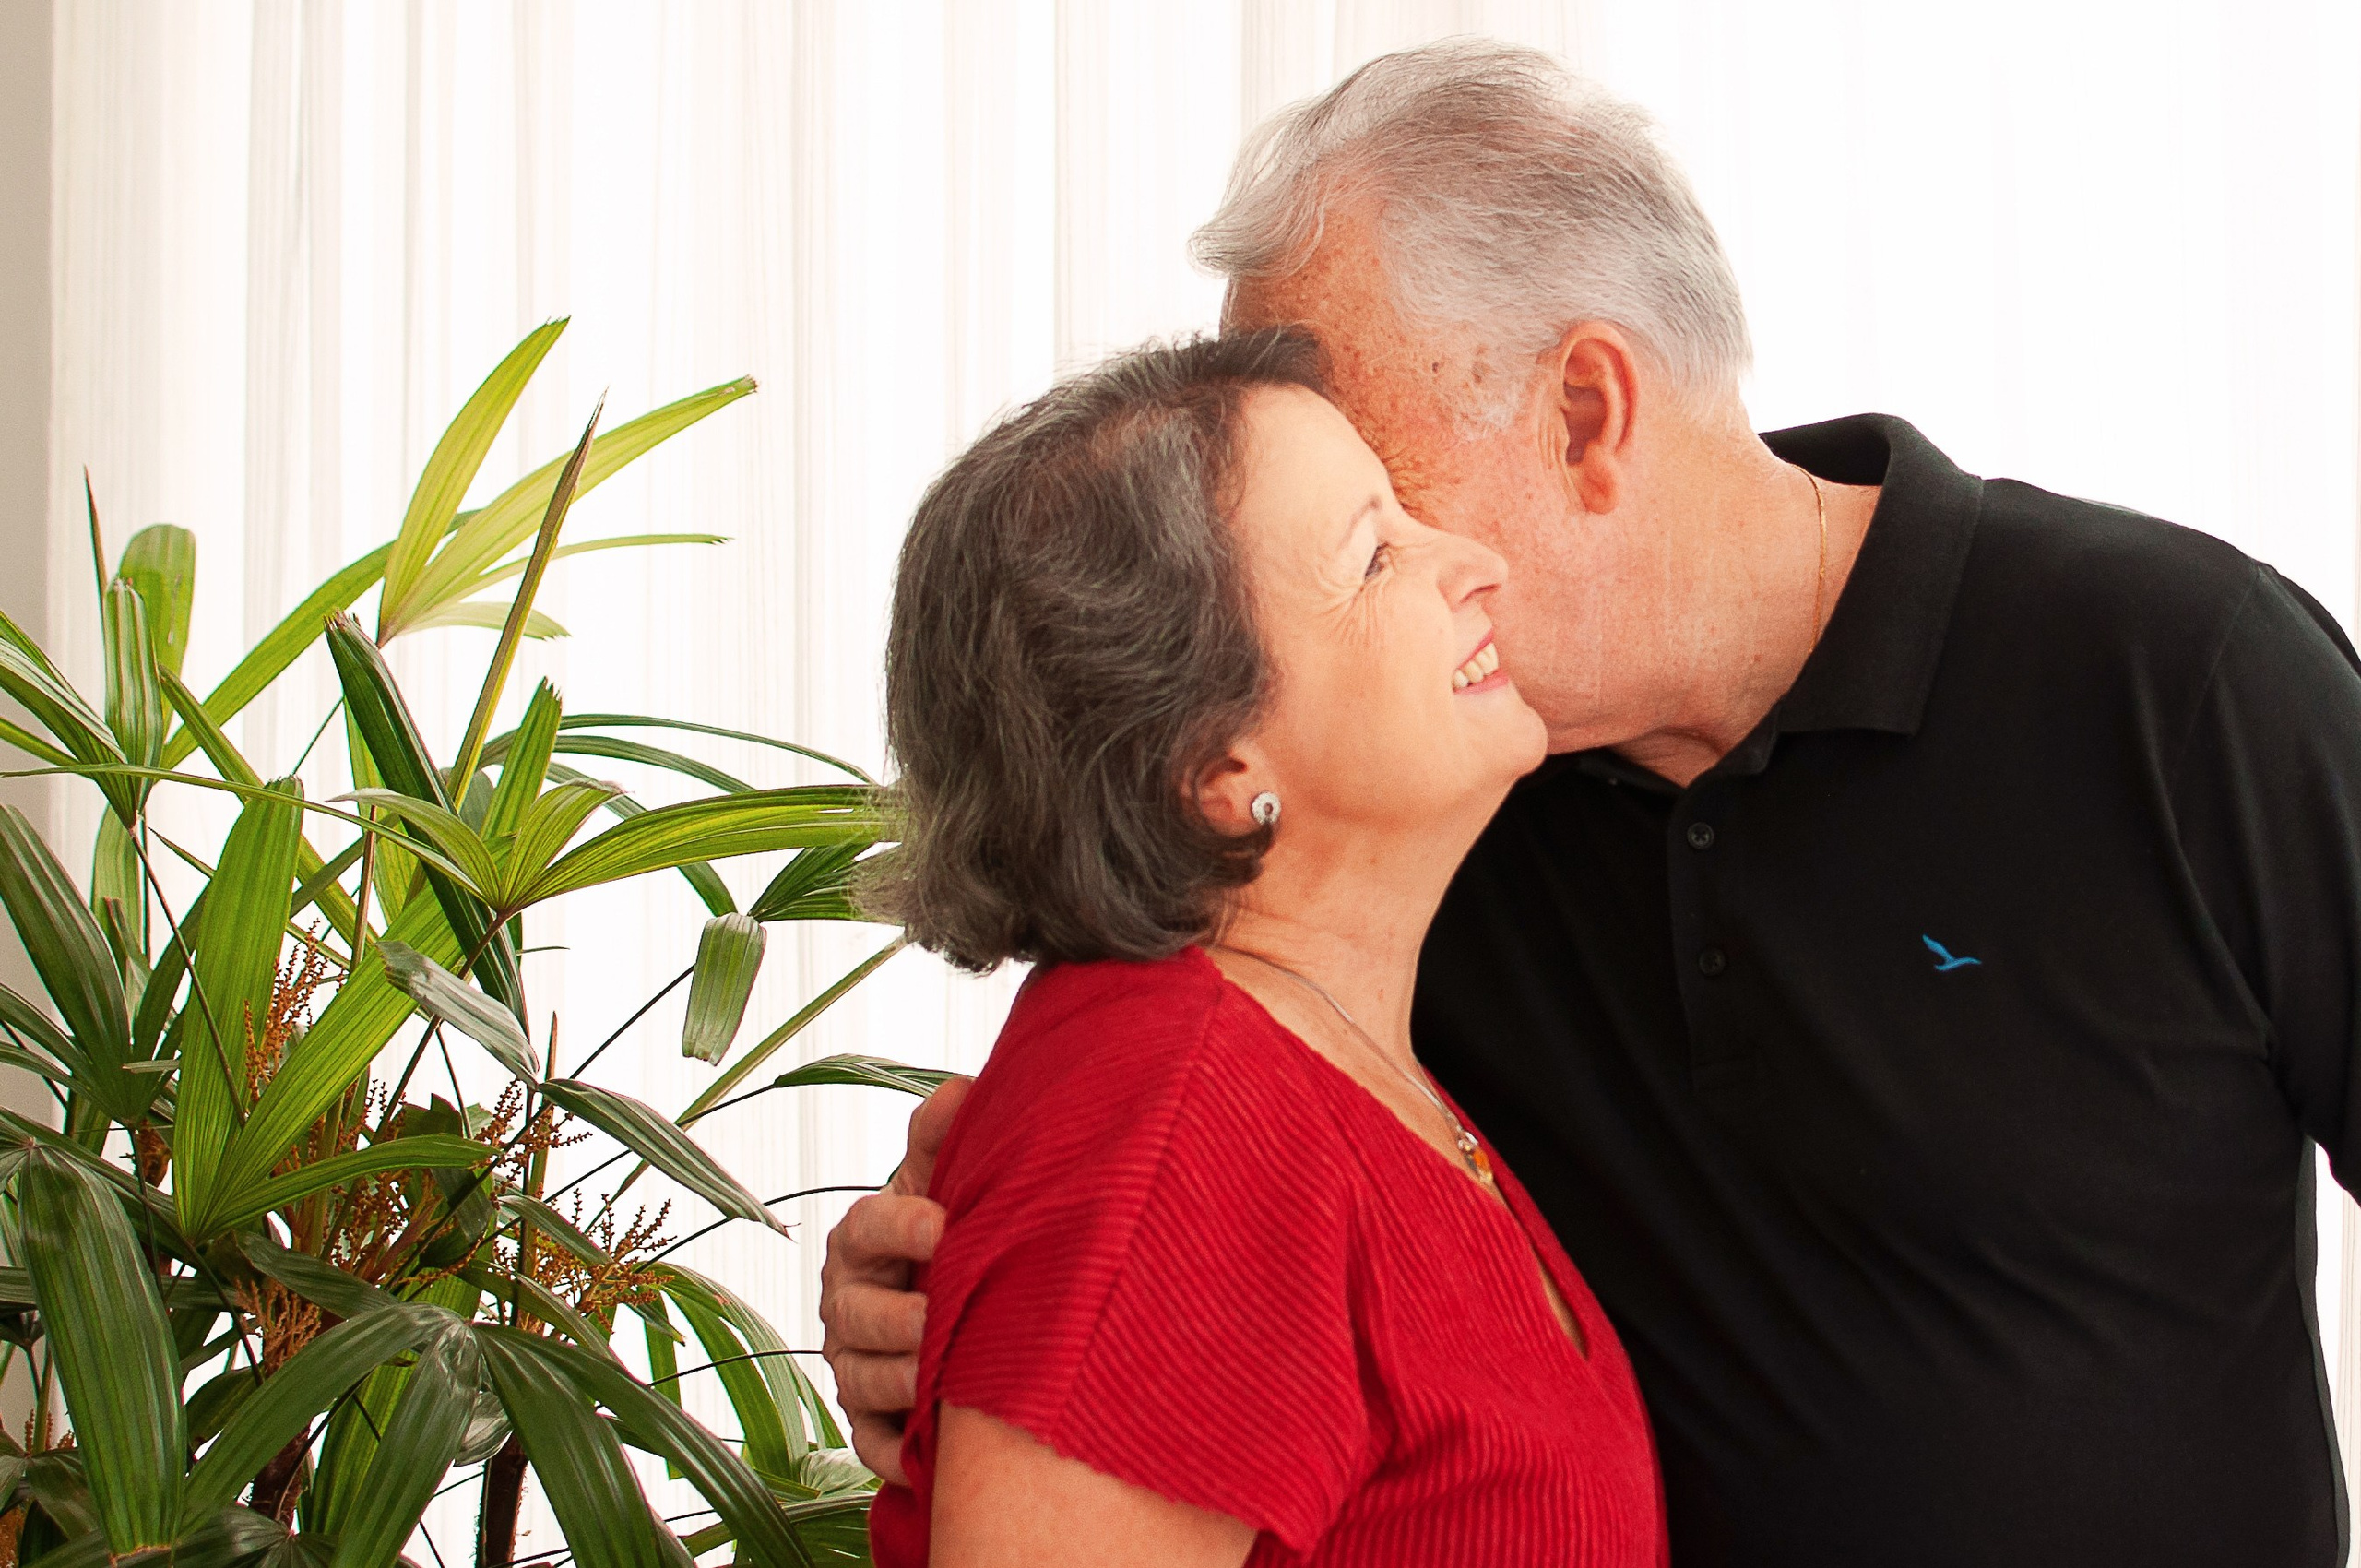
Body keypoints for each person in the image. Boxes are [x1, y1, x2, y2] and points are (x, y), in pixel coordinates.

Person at [827, 41, 2361, 1568]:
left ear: (1583, 410)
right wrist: (939, 1302)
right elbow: (1156, 1196)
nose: (1444, 569)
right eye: (1365, 541)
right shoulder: (1416, 808)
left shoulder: (2183, 681)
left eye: (1383, 485)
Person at [859, 329, 1666, 1566]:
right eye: (1377, 553)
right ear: (1215, 770)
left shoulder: (1331, 1068)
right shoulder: (1180, 1127)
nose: (1477, 561)